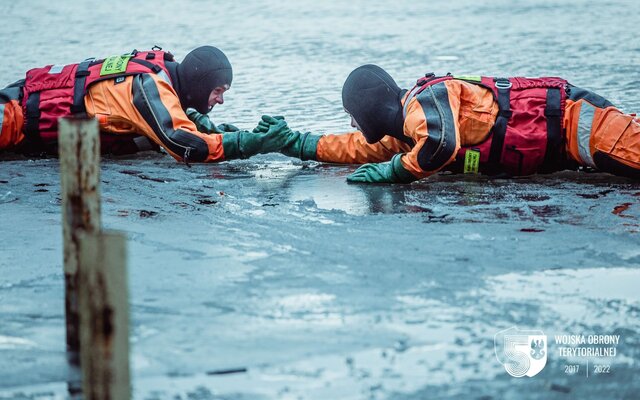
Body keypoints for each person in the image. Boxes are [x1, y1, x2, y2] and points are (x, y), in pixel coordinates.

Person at [245, 64, 640, 182]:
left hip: (580, 122)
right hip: (569, 148)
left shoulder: (427, 101)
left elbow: (440, 146)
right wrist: (295, 142)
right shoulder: (404, 136)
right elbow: (352, 148)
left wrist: (395, 172)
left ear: (368, 107)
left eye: (352, 113)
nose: (351, 121)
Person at [0, 45, 288, 164]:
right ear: (200, 85)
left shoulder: (164, 82)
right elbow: (186, 145)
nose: (220, 100)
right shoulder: (149, 86)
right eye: (218, 91)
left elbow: (181, 127)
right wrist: (250, 144)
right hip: (11, 116)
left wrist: (230, 132)